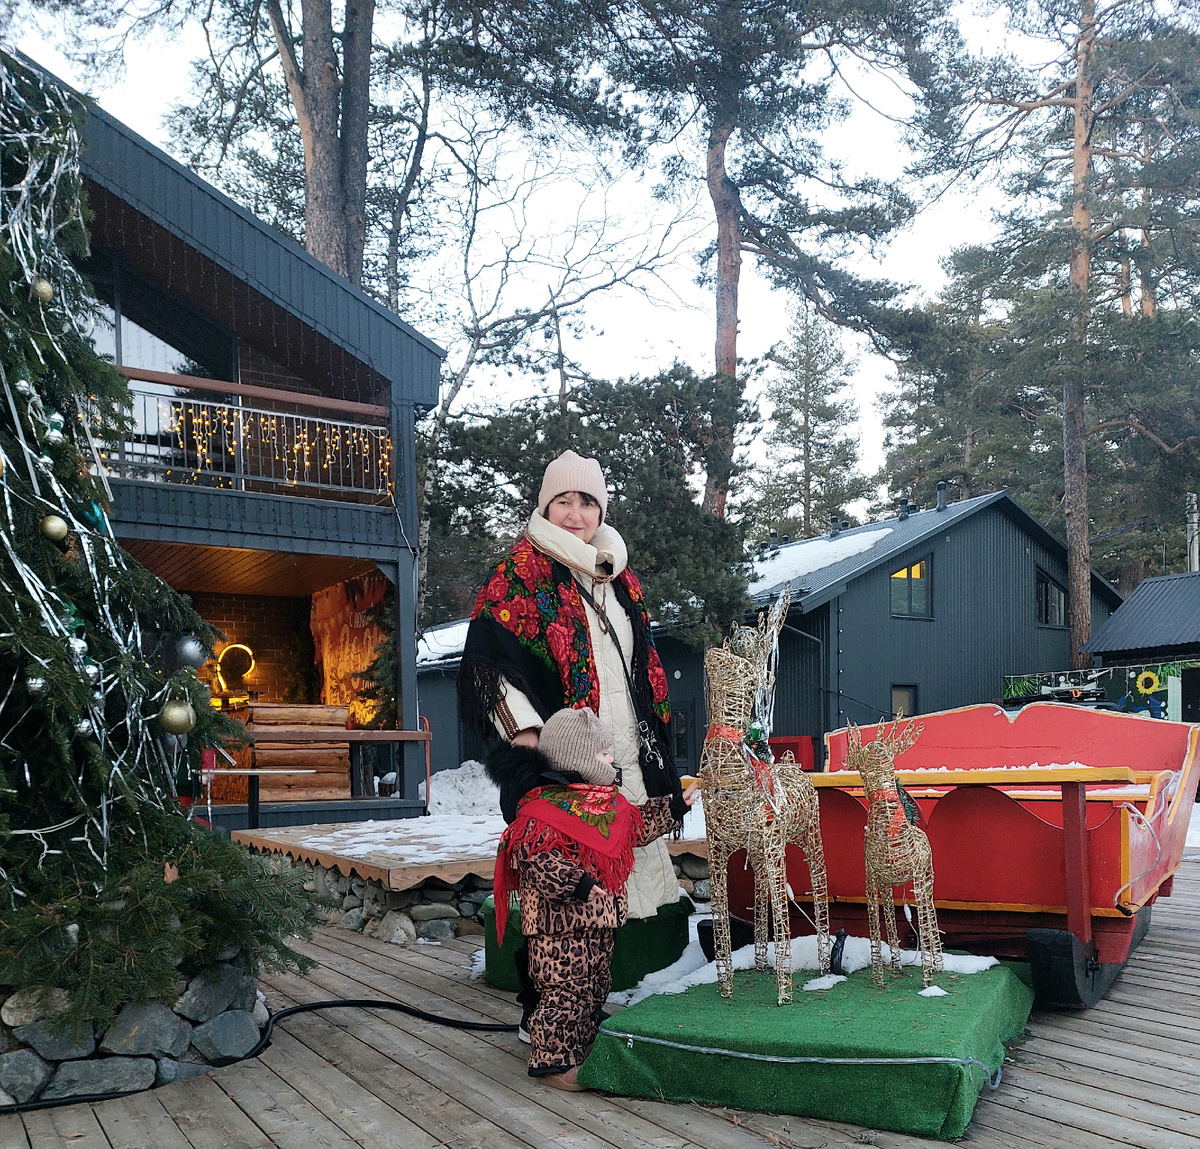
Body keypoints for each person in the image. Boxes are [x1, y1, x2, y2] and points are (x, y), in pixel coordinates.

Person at [458, 449, 685, 1026]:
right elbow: (490, 665)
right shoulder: (519, 574)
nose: (576, 513)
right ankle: (556, 1010)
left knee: (621, 879)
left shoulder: (621, 577)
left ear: (600, 509)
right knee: (569, 890)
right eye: (564, 501)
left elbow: (642, 667)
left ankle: (623, 990)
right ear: (546, 505)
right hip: (568, 756)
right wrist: (528, 738)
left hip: (626, 752)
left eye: (587, 501)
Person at [489, 707, 696, 1090]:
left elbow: (637, 825)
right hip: (559, 931)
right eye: (603, 755)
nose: (610, 762)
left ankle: (579, 1045)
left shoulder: (604, 805)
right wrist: (577, 882)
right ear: (577, 759)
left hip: (600, 925)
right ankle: (553, 1065)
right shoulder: (542, 811)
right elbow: (535, 857)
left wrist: (676, 805)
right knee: (564, 994)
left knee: (593, 988)